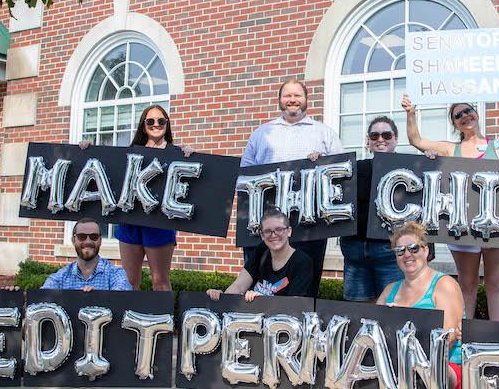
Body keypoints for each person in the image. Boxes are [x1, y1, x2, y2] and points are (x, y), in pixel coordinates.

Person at [400, 87, 499, 321]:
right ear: (455, 124)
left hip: (495, 221)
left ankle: (497, 337)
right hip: (463, 225)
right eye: (458, 115)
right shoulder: (451, 148)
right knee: (467, 285)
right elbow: (417, 140)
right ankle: (465, 336)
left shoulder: (496, 145)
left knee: (496, 283)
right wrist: (410, 112)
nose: (465, 115)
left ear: (476, 114)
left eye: (468, 110)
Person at [240, 79, 343, 296]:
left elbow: (341, 172)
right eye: (287, 95)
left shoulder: (324, 133)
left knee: (306, 285)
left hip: (310, 224)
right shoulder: (261, 134)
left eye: (297, 95)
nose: (292, 100)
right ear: (280, 100)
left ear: (306, 99)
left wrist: (324, 161)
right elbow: (244, 174)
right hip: (267, 223)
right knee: (257, 283)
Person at [79, 104, 194, 291]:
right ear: (143, 125)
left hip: (160, 223)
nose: (156, 124)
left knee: (160, 280)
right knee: (130, 281)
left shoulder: (176, 154)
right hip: (130, 221)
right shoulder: (131, 152)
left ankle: (164, 319)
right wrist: (87, 150)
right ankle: (131, 319)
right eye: (150, 121)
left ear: (167, 124)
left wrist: (189, 154)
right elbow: (106, 167)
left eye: (161, 121)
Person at [377, 221, 466, 389]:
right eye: (400, 250)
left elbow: (446, 339)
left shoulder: (444, 285)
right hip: (398, 368)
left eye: (413, 248)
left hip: (444, 369)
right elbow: (373, 330)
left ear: (426, 251)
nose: (407, 254)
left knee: (433, 373)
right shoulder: (389, 290)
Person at [339, 116, 404, 302]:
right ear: (368, 141)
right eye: (374, 136)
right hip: (354, 249)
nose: (380, 139)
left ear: (395, 139)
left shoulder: (409, 168)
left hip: (389, 250)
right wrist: (316, 161)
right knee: (357, 310)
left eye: (386, 134)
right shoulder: (353, 168)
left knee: (392, 308)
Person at [207, 208, 314, 302]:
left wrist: (263, 301)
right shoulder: (261, 251)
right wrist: (223, 298)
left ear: (289, 231)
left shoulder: (302, 262)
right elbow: (239, 286)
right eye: (268, 231)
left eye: (279, 229)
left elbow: (294, 305)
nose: (273, 235)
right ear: (262, 235)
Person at [40, 217, 132, 291]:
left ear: (100, 240)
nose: (88, 241)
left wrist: (101, 297)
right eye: (81, 237)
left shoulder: (115, 274)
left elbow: (122, 296)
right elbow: (43, 298)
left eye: (94, 237)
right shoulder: (61, 277)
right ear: (73, 240)